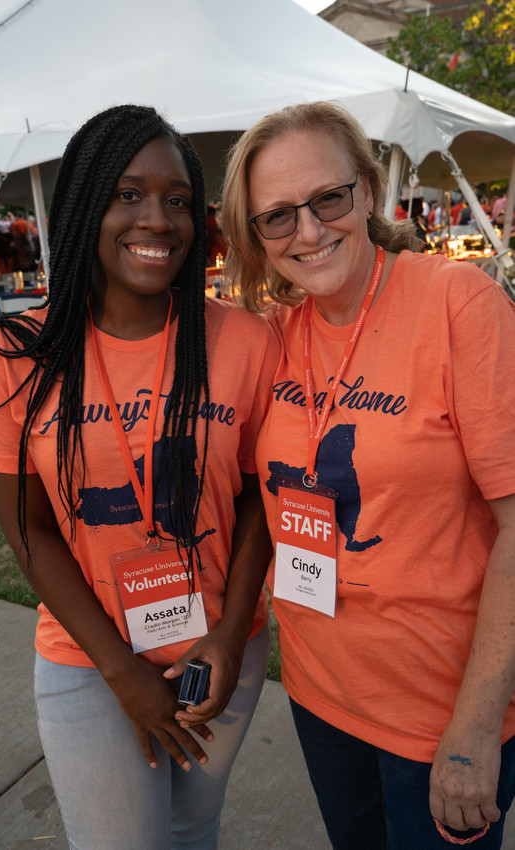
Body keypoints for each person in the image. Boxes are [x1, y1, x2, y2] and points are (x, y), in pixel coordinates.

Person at [0, 104, 279, 850]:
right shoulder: (17, 352)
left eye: (175, 199)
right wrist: (121, 673)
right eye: (126, 194)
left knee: (194, 829)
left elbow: (260, 495)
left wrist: (230, 637)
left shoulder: (244, 341)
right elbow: (27, 529)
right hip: (89, 657)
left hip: (221, 653)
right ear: (84, 204)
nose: (156, 220)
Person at [219, 101, 515, 849]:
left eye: (328, 198)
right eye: (277, 216)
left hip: (440, 715)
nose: (309, 232)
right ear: (253, 235)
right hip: (322, 696)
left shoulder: (456, 303)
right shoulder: (274, 334)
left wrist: (473, 731)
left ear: (366, 190)